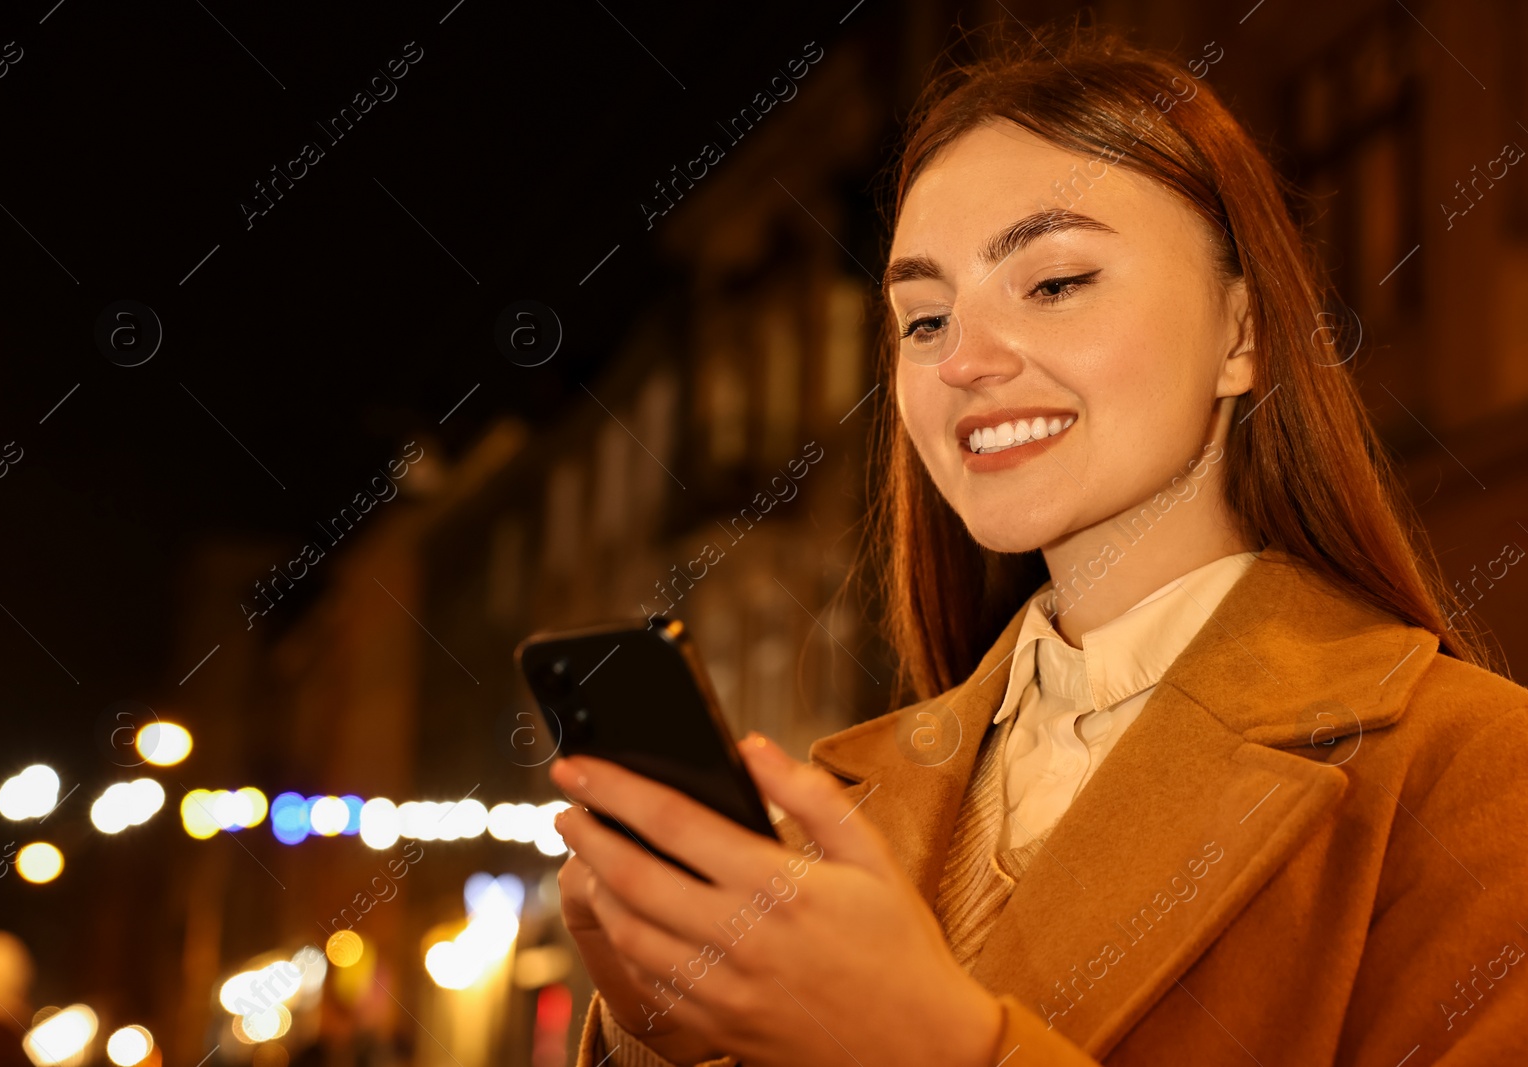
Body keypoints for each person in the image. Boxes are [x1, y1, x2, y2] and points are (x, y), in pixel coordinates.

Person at [549, 22, 1528, 1066]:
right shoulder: (834, 804)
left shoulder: (1468, 770)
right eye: (922, 319)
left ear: (1241, 333)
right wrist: (668, 1037)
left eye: (1054, 283)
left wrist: (935, 1046)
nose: (962, 360)